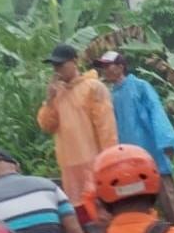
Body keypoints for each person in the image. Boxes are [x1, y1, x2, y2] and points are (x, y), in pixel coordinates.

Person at [94, 51, 174, 226]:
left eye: (108, 66)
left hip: (151, 151)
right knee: (136, 201)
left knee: (167, 195)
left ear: (121, 67)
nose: (105, 70)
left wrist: (167, 141)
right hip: (126, 158)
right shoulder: (110, 95)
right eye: (103, 67)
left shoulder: (140, 86)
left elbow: (156, 112)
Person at [37, 43, 119, 220]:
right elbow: (46, 126)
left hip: (94, 164)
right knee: (82, 215)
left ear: (74, 62)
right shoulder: (57, 93)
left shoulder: (93, 87)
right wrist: (49, 101)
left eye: (61, 64)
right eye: (55, 66)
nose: (58, 69)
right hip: (70, 170)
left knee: (103, 214)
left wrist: (110, 161)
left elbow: (106, 129)